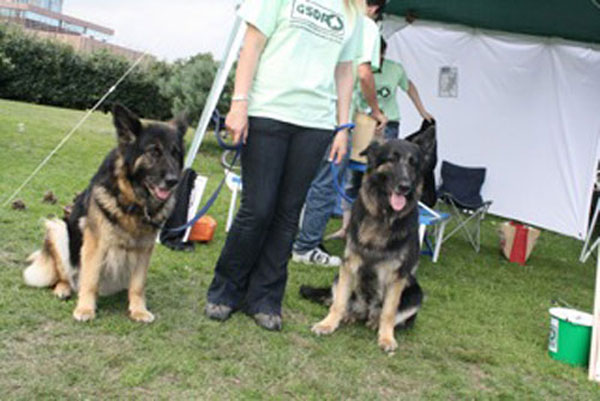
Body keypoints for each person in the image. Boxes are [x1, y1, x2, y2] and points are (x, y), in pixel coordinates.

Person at [204, 0, 365, 331]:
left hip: (316, 123)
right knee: (258, 208)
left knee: (288, 214)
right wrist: (239, 103)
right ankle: (226, 290)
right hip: (267, 111)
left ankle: (264, 298)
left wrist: (342, 127)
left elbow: (345, 70)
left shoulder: (353, 9)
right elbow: (252, 43)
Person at [291, 0, 387, 267]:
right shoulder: (366, 26)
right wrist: (376, 110)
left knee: (298, 178)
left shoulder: (328, 15)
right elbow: (363, 73)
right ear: (375, 9)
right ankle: (306, 246)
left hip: (304, 107)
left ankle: (286, 238)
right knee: (324, 182)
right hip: (335, 116)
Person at [330, 37, 434, 240]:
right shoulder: (356, 67)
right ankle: (347, 228)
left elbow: (409, 87)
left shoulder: (395, 69)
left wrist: (422, 111)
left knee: (388, 181)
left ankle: (381, 229)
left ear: (383, 53)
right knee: (354, 179)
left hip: (389, 128)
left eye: (377, 54)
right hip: (361, 125)